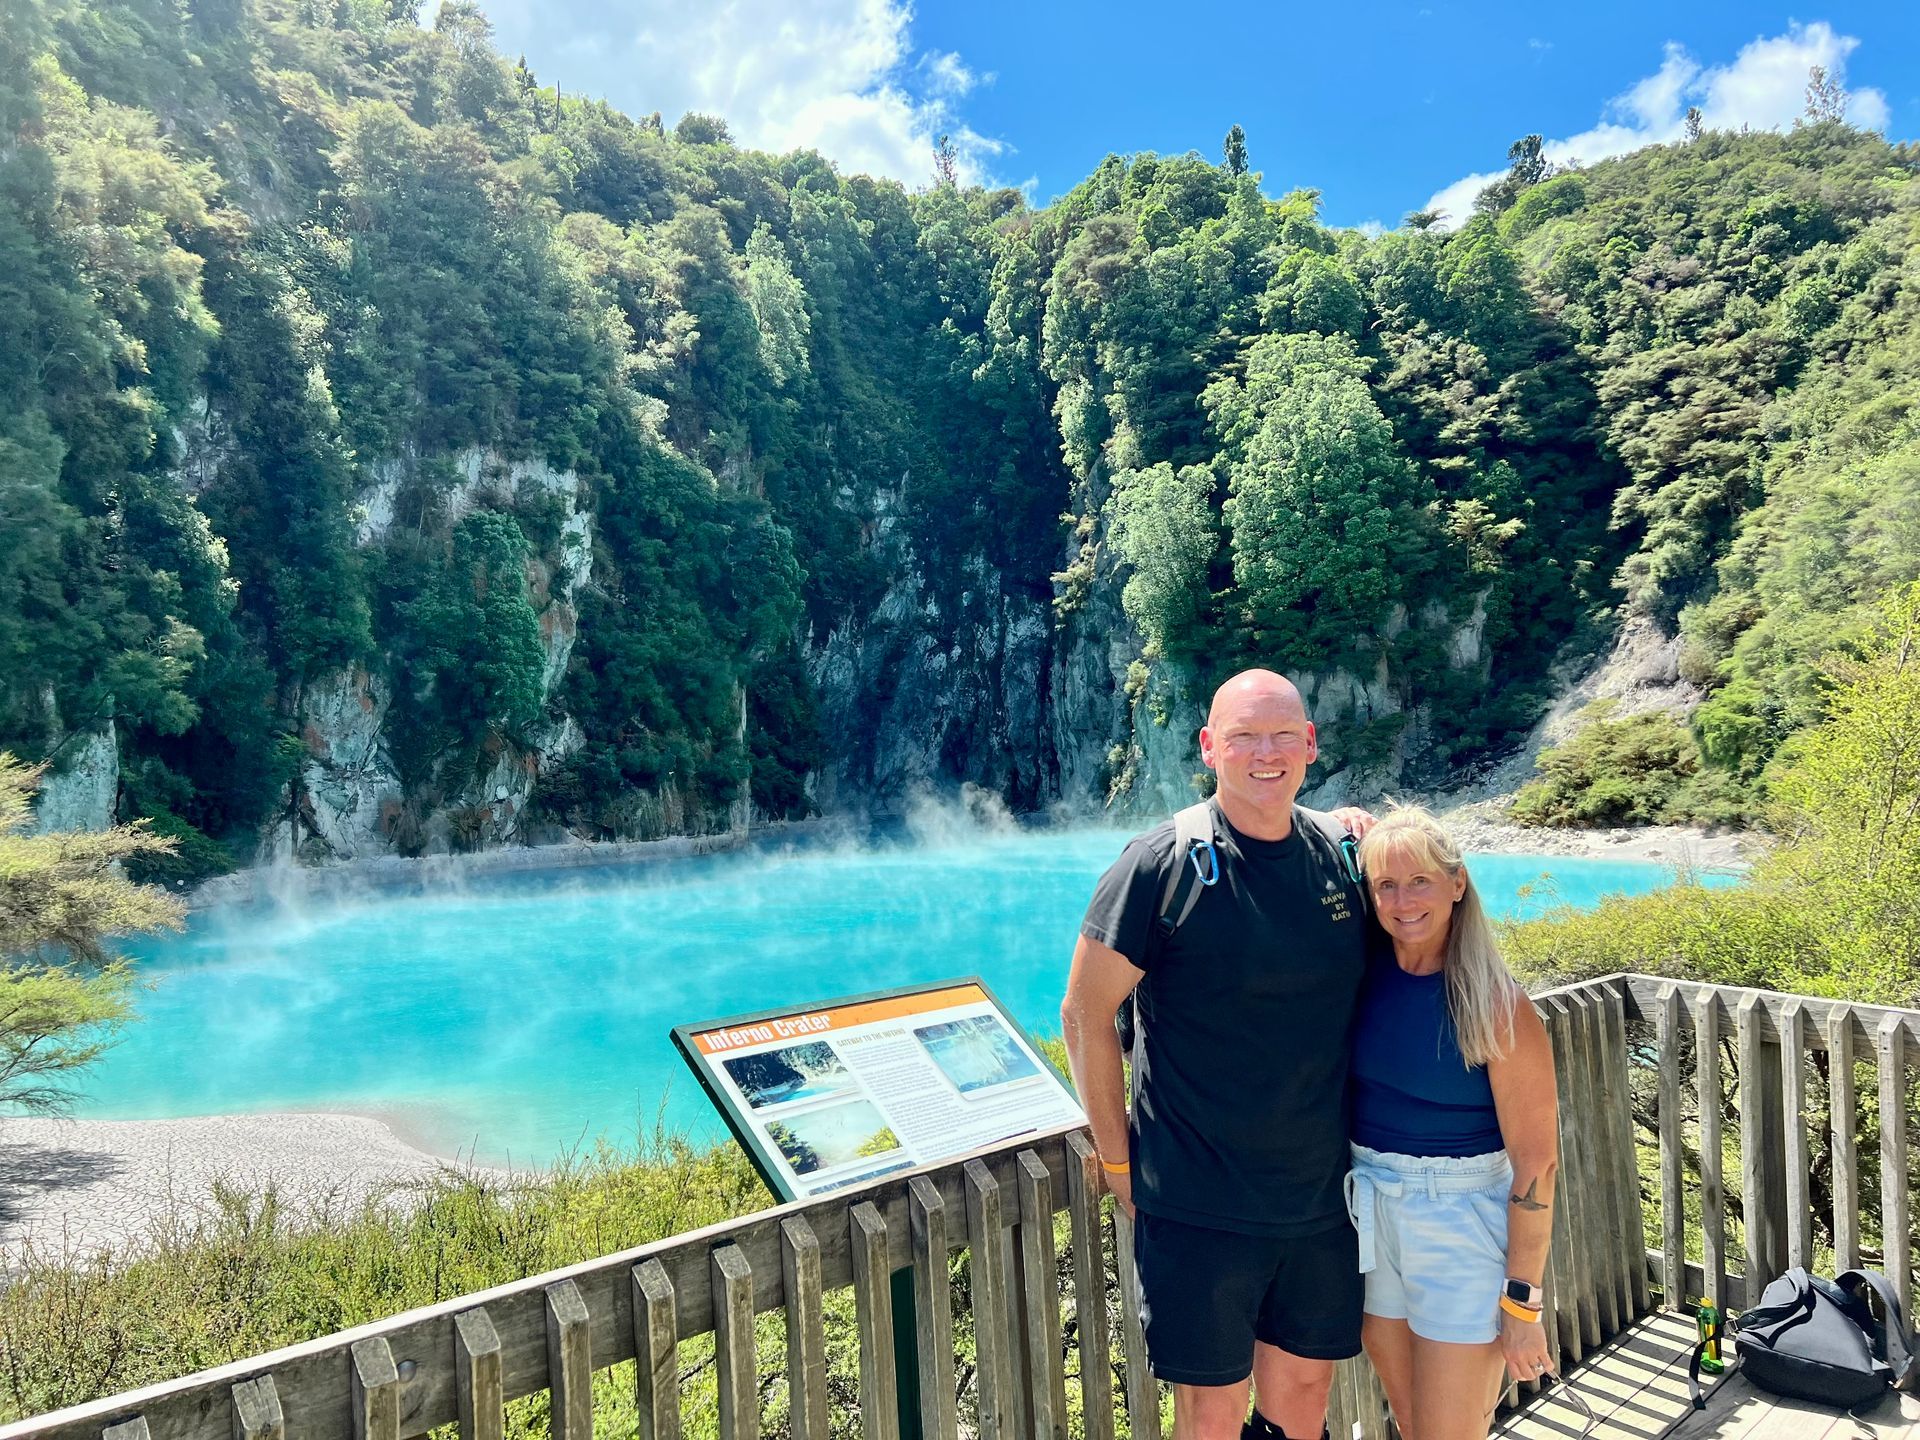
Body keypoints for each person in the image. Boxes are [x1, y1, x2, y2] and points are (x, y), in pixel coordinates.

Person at [1061, 669, 1374, 1440]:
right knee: (1211, 1412)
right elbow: (1083, 1015)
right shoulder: (1161, 865)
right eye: (1242, 736)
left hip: (1322, 1199)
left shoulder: (1341, 855)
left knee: (1303, 1394)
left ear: (1309, 743)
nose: (1263, 754)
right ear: (1209, 747)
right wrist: (1117, 1164)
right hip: (1200, 1202)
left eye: (1281, 736)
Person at [1346, 806, 1558, 1440]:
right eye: (1385, 884)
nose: (1403, 900)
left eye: (1420, 881)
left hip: (1459, 1220)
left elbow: (1537, 1164)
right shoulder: (1364, 974)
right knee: (1413, 1425)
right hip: (1373, 1213)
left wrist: (1522, 1301)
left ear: (1457, 883)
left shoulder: (1496, 1003)